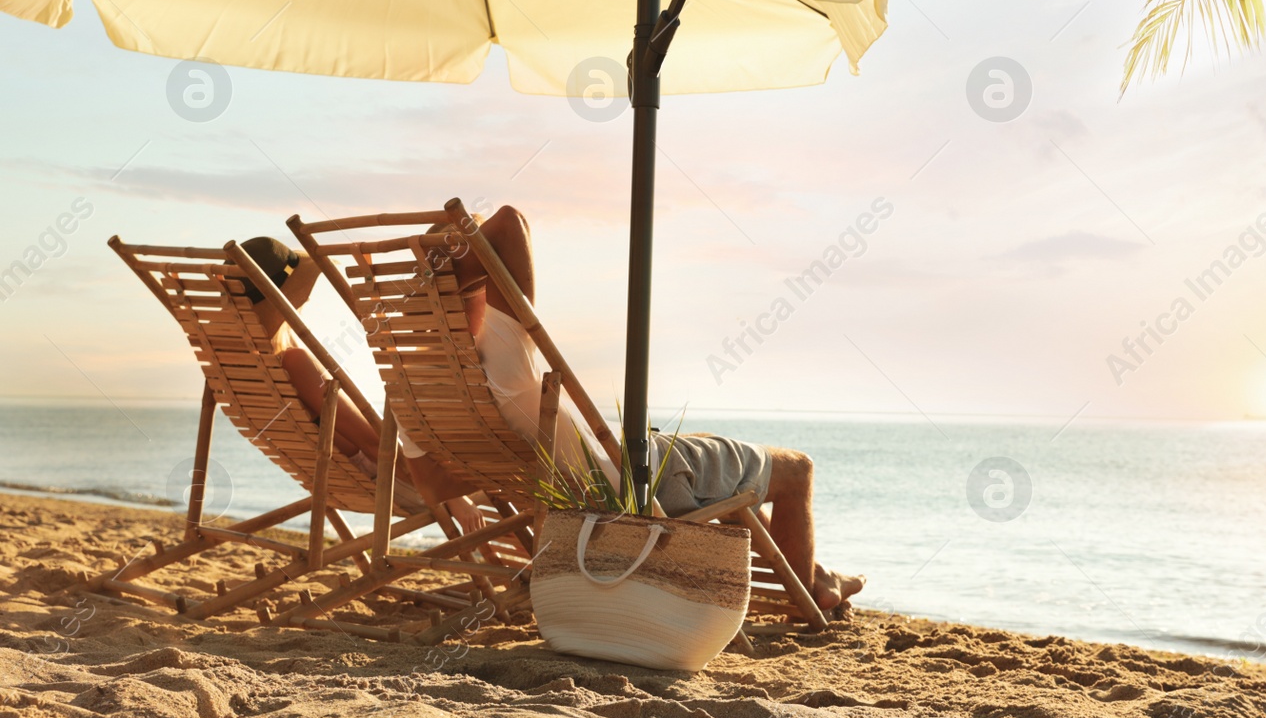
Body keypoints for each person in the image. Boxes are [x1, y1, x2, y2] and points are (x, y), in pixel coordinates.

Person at [432, 206, 865, 611]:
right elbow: (509, 222)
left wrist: (437, 285)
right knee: (797, 469)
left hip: (583, 493)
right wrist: (462, 267)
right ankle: (806, 598)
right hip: (638, 486)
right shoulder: (503, 358)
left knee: (707, 454)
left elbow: (433, 488)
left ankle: (819, 575)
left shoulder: (429, 385)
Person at [236, 237, 483, 532]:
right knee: (508, 487)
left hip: (348, 482)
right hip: (393, 482)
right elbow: (376, 444)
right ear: (284, 297)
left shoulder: (250, 364)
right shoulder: (294, 361)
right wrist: (454, 498)